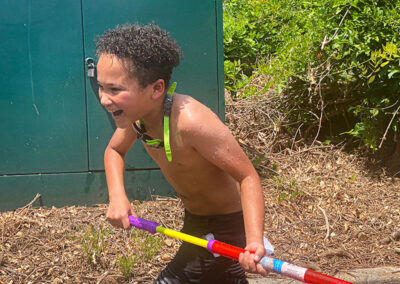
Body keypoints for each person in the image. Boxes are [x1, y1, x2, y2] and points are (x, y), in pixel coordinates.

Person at [96, 23, 268, 283]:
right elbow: (114, 150)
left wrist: (253, 240)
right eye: (101, 87)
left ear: (156, 89)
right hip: (195, 219)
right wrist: (117, 197)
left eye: (115, 90)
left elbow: (248, 177)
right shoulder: (138, 116)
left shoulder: (190, 122)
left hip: (226, 225)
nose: (104, 99)